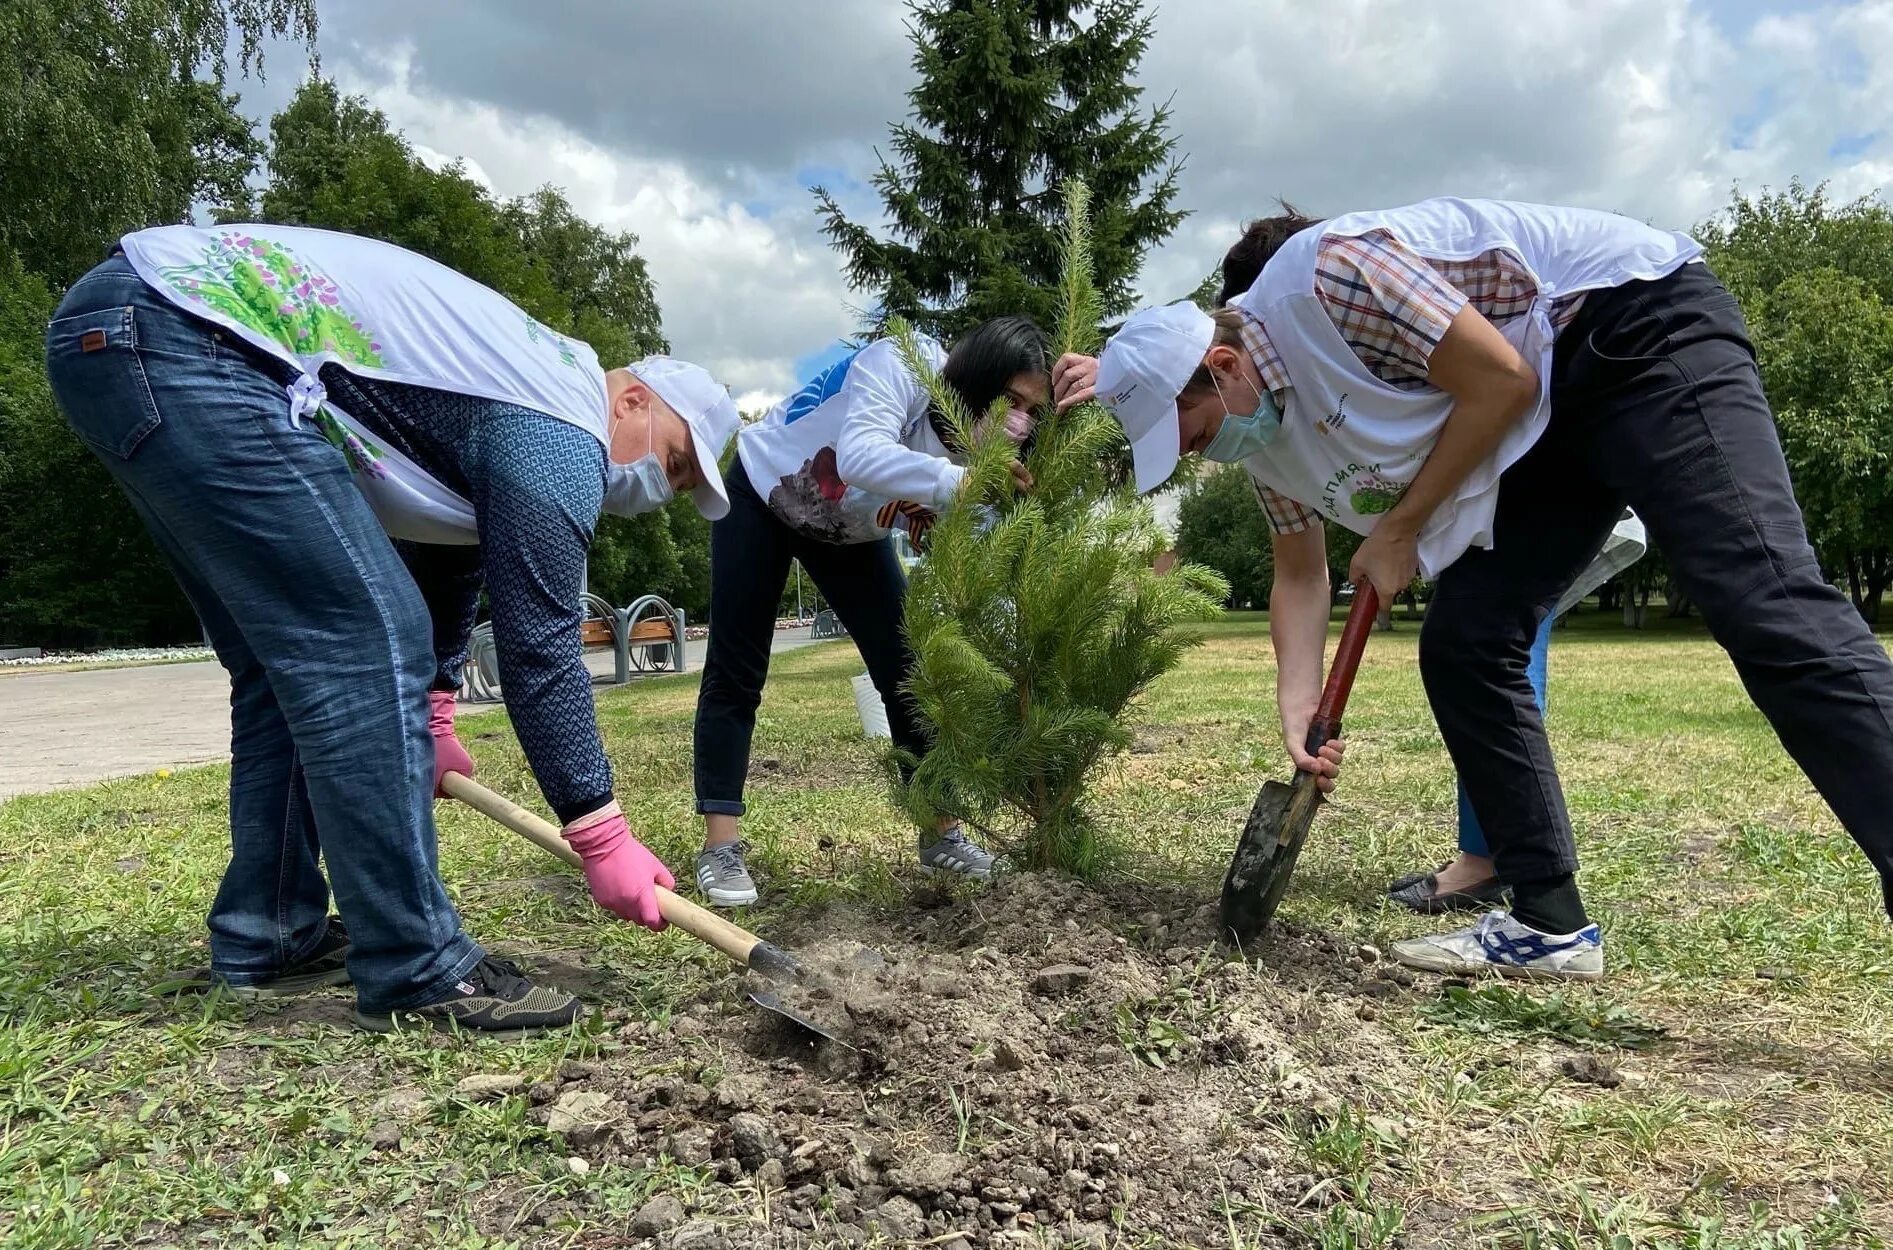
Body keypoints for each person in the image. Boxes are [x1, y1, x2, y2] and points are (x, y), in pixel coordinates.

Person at [1055, 196, 1893, 980]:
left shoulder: (1331, 272)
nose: (1202, 454)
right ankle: (1548, 922)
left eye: (1194, 432)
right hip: (1545, 417)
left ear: (1224, 364)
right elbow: (1299, 573)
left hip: (1633, 324)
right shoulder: (1263, 438)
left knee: (1761, 602)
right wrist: (1297, 707)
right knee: (1467, 640)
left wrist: (1398, 528)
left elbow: (1501, 382)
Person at [45, 223, 739, 1035]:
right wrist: (600, 832)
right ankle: (415, 966)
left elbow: (454, 559)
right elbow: (537, 648)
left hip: (125, 334)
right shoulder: (561, 422)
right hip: (190, 336)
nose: (662, 487)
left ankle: (269, 931)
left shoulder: (518, 393)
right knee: (367, 648)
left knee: (289, 667)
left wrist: (438, 707)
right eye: (677, 461)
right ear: (631, 402)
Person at [691, 317, 1048, 906]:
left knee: (906, 666)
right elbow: (858, 457)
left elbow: (957, 536)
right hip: (763, 494)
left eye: (1032, 411)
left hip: (847, 535)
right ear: (974, 378)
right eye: (1010, 400)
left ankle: (940, 833)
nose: (1018, 423)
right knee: (737, 667)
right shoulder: (901, 363)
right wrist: (955, 485)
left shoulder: (975, 460)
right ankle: (720, 846)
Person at [1386, 511, 1646, 912]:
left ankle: (1496, 864)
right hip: (1518, 497)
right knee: (1495, 642)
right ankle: (1496, 856)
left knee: (1487, 646)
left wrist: (1399, 527)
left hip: (1530, 492)